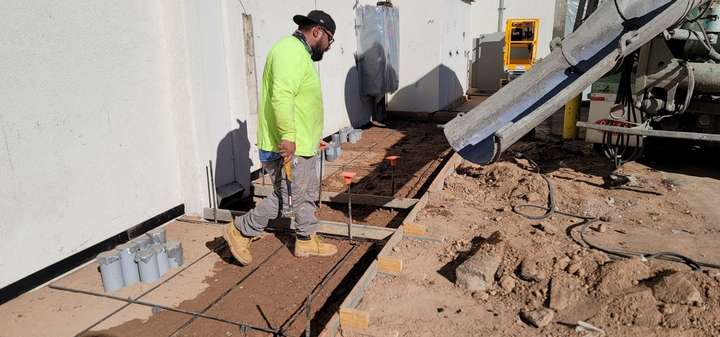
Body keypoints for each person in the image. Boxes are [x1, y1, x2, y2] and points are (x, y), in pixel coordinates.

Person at [223, 10, 338, 265]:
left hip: (301, 142)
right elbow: (282, 96)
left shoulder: (300, 54)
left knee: (304, 192)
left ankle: (306, 240)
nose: (329, 47)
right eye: (329, 41)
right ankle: (241, 230)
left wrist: (311, 136)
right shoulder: (289, 52)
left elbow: (300, 102)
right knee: (286, 197)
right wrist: (288, 137)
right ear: (317, 32)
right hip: (288, 144)